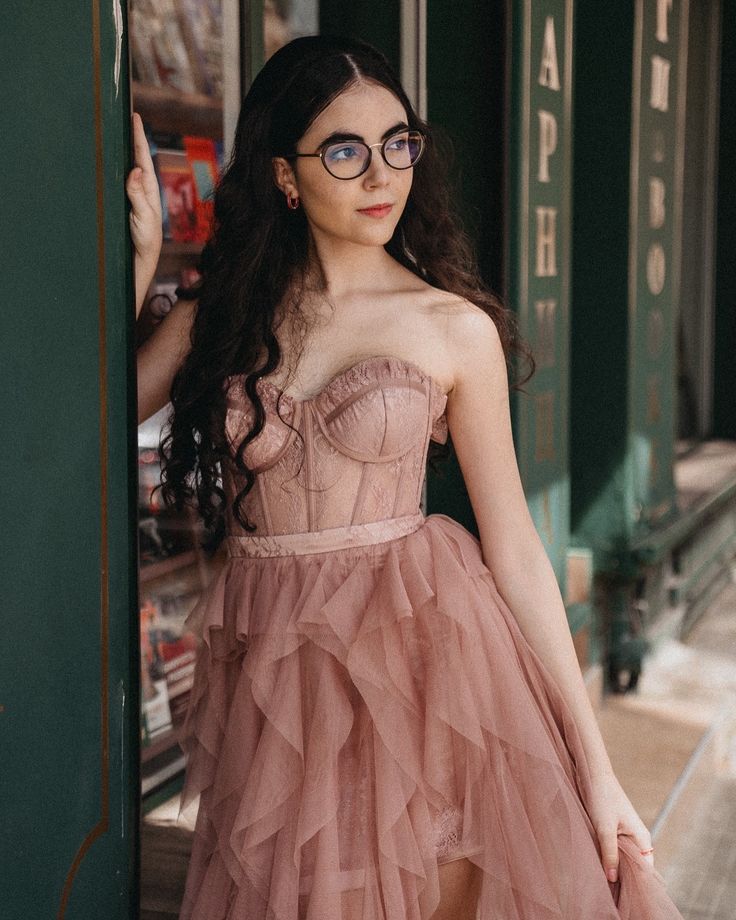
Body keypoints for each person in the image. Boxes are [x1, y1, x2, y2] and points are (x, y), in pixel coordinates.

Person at [127, 33, 684, 920]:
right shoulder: (223, 315)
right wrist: (138, 272)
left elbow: (516, 550)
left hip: (420, 666)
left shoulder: (450, 326)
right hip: (276, 680)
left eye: (399, 144)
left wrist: (599, 773)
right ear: (284, 175)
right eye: (344, 151)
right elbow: (95, 423)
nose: (382, 174)